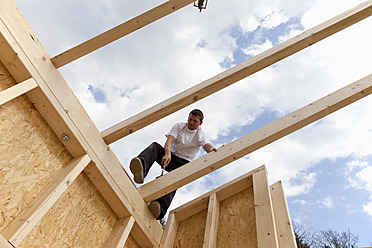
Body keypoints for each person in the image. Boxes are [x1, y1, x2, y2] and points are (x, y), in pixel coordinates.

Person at [129, 109, 217, 220]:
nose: (191, 123)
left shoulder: (200, 134)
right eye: (190, 119)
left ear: (200, 123)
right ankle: (141, 169)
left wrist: (212, 150)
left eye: (195, 121)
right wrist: (167, 154)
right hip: (170, 157)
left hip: (184, 164)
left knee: (173, 180)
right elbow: (170, 140)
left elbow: (206, 145)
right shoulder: (179, 126)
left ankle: (159, 208)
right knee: (155, 147)